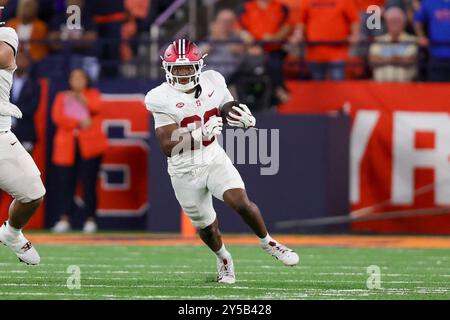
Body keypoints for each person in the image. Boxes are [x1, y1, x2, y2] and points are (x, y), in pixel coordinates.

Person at [145, 39, 299, 284]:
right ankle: (224, 258)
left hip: (213, 156)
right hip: (184, 168)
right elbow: (167, 145)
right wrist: (199, 134)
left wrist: (240, 114)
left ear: (199, 66)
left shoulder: (213, 80)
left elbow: (225, 105)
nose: (183, 74)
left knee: (240, 202)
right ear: (167, 69)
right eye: (178, 69)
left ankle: (269, 242)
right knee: (207, 227)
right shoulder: (159, 97)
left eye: (187, 68)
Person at [0, 27, 46, 265]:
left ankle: (11, 233)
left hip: (0, 134)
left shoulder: (7, 34)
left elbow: (4, 57)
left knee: (33, 193)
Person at [51, 68, 108, 234]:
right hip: (67, 147)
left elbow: (97, 107)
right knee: (66, 184)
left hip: (89, 147)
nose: (77, 81)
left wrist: (81, 99)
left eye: (80, 78)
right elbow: (58, 117)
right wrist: (77, 123)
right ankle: (65, 219)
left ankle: (90, 219)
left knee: (89, 183)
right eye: (73, 78)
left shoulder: (92, 94)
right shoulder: (62, 96)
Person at [296, 0, 360, 80]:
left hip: (337, 51)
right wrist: (298, 34)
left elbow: (354, 20)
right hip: (315, 51)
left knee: (338, 84)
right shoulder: (306, 1)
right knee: (317, 85)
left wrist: (355, 35)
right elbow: (301, 21)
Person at [369, 7, 418, 82]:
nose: (394, 24)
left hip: (405, 87)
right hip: (380, 88)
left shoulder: (412, 40)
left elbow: (410, 60)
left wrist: (384, 59)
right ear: (387, 23)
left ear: (404, 23)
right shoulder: (378, 40)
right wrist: (396, 59)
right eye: (391, 21)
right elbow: (373, 60)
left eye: (397, 21)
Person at [10, 49, 40, 152]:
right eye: (17, 58)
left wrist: (9, 109)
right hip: (4, 131)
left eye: (23, 59)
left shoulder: (34, 84)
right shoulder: (4, 80)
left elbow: (32, 108)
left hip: (25, 131)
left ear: (29, 62)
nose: (20, 61)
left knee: (24, 165)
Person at [414, 0, 450, 82]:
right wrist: (421, 37)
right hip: (436, 55)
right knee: (436, 91)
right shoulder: (430, 2)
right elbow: (417, 21)